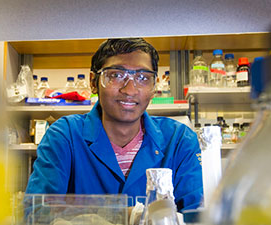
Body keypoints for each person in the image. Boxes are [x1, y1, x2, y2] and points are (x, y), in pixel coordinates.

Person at [25, 38, 203, 212]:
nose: (130, 90)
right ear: (93, 82)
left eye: (143, 77)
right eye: (116, 75)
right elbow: (37, 213)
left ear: (154, 86)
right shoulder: (65, 136)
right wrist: (130, 216)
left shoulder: (179, 140)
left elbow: (197, 214)